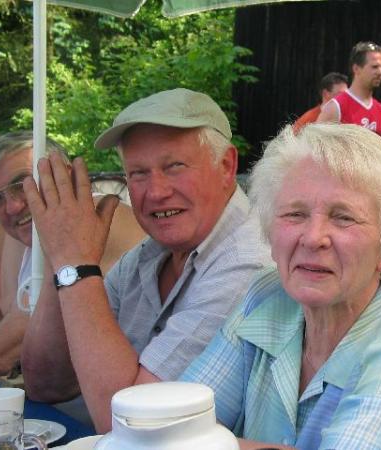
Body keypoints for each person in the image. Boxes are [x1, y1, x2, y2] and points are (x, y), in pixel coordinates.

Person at [179, 123, 381, 450]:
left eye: (343, 217)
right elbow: (171, 426)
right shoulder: (266, 296)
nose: (313, 238)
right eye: (295, 214)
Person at [21, 88, 272, 432]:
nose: (156, 192)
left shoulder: (248, 262)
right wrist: (62, 257)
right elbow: (45, 383)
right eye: (138, 173)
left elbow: (131, 426)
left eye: (174, 166)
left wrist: (76, 264)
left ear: (226, 166)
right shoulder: (148, 255)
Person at [0, 131, 145, 383]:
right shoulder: (21, 235)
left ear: (66, 175)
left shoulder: (98, 221)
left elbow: (15, 342)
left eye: (22, 185)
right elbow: (5, 313)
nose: (12, 207)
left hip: (115, 394)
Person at [317, 41, 381, 136]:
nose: (380, 72)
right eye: (374, 67)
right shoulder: (336, 107)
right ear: (356, 69)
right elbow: (315, 143)